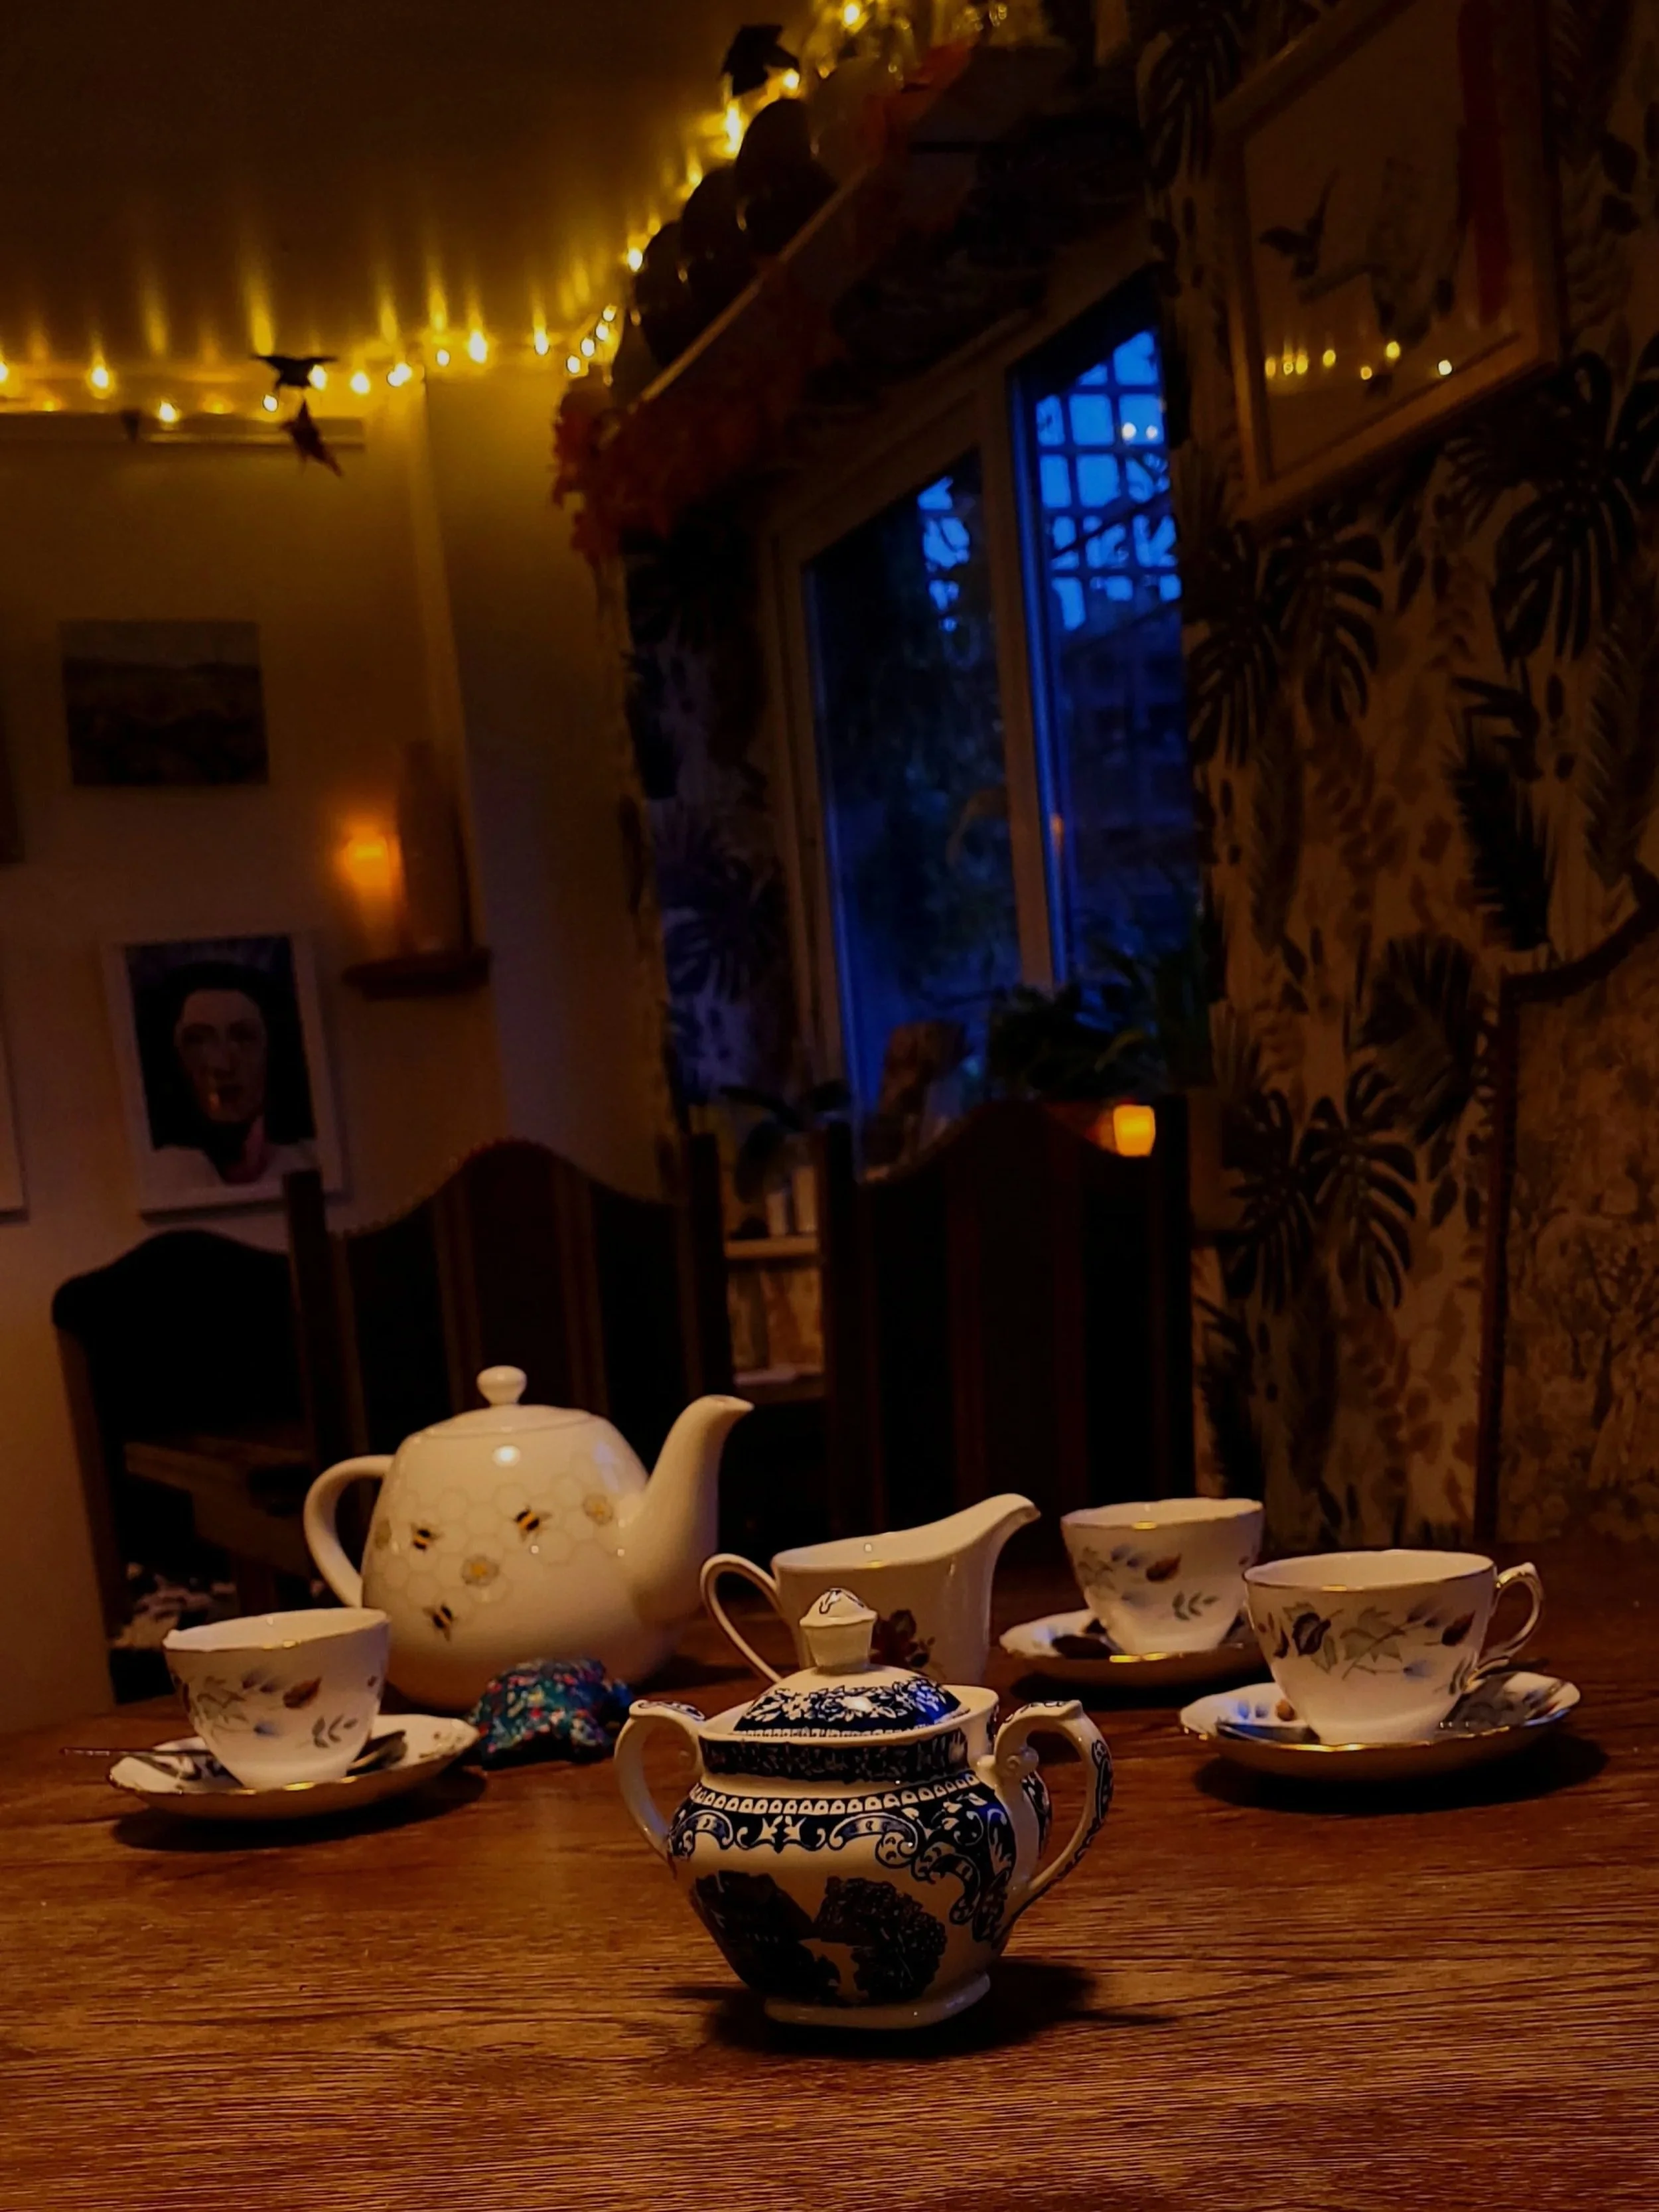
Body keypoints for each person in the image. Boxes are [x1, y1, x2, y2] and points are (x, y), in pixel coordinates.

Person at [135, 952, 318, 1195]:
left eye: (243, 1037)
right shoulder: (161, 1173)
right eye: (198, 1040)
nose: (223, 1065)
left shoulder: (309, 1160)